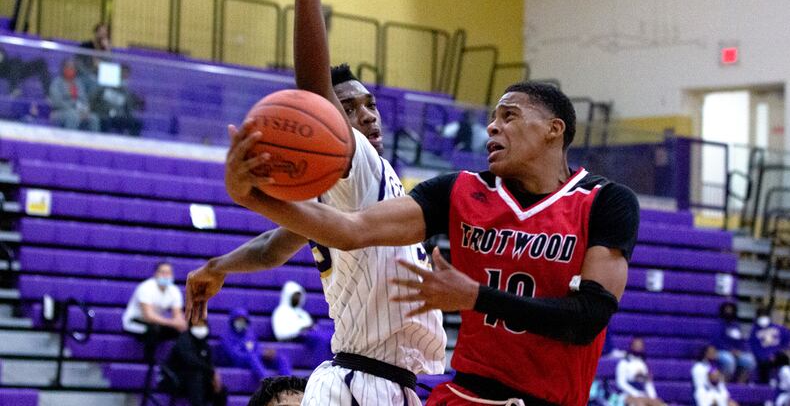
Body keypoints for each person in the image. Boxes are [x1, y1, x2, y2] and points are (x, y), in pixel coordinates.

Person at [221, 75, 639, 406]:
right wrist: (253, 197)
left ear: (554, 129)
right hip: (466, 396)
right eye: (492, 117)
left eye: (509, 116)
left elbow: (588, 319)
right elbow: (353, 230)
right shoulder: (459, 191)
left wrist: (476, 297)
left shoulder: (606, 202)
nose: (493, 125)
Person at [185, 0, 446, 404]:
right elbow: (312, 91)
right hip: (364, 383)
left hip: (376, 381)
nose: (367, 116)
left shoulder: (356, 193)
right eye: (347, 108)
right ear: (325, 125)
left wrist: (218, 266)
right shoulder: (361, 165)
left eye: (370, 104)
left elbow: (272, 246)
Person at [122, 261, 187, 361]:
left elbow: (177, 316)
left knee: (183, 332)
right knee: (153, 330)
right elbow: (148, 316)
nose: (166, 276)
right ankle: (148, 362)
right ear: (155, 274)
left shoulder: (174, 291)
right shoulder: (146, 287)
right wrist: (172, 323)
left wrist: (181, 324)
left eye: (168, 273)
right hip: (134, 321)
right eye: (162, 272)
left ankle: (177, 363)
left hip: (157, 324)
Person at [158, 319, 228, 406]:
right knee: (195, 375)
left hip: (196, 381)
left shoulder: (205, 344)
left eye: (203, 326)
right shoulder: (184, 340)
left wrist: (213, 375)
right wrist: (211, 370)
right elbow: (191, 361)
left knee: (221, 389)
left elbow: (209, 364)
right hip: (174, 378)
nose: (200, 329)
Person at [271, 281, 332, 368]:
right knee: (320, 338)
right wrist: (300, 329)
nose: (297, 299)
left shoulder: (302, 313)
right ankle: (321, 368)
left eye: (299, 296)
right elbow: (280, 334)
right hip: (296, 338)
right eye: (295, 296)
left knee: (331, 335)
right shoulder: (280, 312)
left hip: (310, 335)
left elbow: (313, 327)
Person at [220, 307, 291, 381]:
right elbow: (235, 356)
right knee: (253, 358)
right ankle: (268, 383)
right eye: (238, 319)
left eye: (243, 320)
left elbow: (257, 348)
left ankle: (287, 384)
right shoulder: (226, 336)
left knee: (280, 357)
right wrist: (258, 354)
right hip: (238, 362)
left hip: (255, 360)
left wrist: (264, 353)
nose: (241, 322)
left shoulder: (249, 334)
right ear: (232, 320)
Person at [90, 64, 144, 135]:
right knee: (106, 122)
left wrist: (138, 104)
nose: (124, 76)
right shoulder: (104, 86)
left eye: (126, 74)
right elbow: (93, 100)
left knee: (136, 123)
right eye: (122, 73)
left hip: (118, 117)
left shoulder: (125, 92)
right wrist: (97, 110)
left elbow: (129, 107)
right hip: (103, 115)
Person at [48, 58, 100, 132]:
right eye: (68, 67)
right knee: (73, 116)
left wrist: (84, 110)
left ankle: (93, 142)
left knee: (94, 118)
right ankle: (70, 141)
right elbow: (57, 102)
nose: (70, 70)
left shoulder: (78, 83)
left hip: (79, 111)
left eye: (72, 68)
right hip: (60, 111)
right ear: (63, 69)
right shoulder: (57, 83)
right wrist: (73, 109)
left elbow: (84, 99)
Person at [713, 301, 755, 383]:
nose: (729, 312)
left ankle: (740, 383)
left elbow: (741, 341)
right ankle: (723, 384)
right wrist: (730, 350)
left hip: (735, 352)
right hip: (720, 351)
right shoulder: (718, 324)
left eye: (731, 310)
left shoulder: (736, 325)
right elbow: (716, 341)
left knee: (750, 360)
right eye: (727, 310)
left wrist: (741, 351)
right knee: (729, 361)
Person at [615, 337, 664, 406]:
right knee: (640, 404)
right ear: (631, 346)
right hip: (627, 394)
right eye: (636, 345)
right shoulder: (624, 363)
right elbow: (621, 383)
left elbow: (648, 383)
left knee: (659, 404)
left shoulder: (643, 364)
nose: (638, 347)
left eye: (640, 345)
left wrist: (653, 397)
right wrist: (636, 393)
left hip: (642, 394)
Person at [749, 306, 790, 383]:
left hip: (778, 355)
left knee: (784, 358)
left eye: (765, 315)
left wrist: (782, 351)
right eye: (761, 315)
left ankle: (785, 381)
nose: (763, 318)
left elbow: (787, 340)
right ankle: (766, 384)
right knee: (763, 364)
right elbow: (754, 348)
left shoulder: (778, 328)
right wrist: (767, 356)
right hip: (764, 358)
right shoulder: (754, 332)